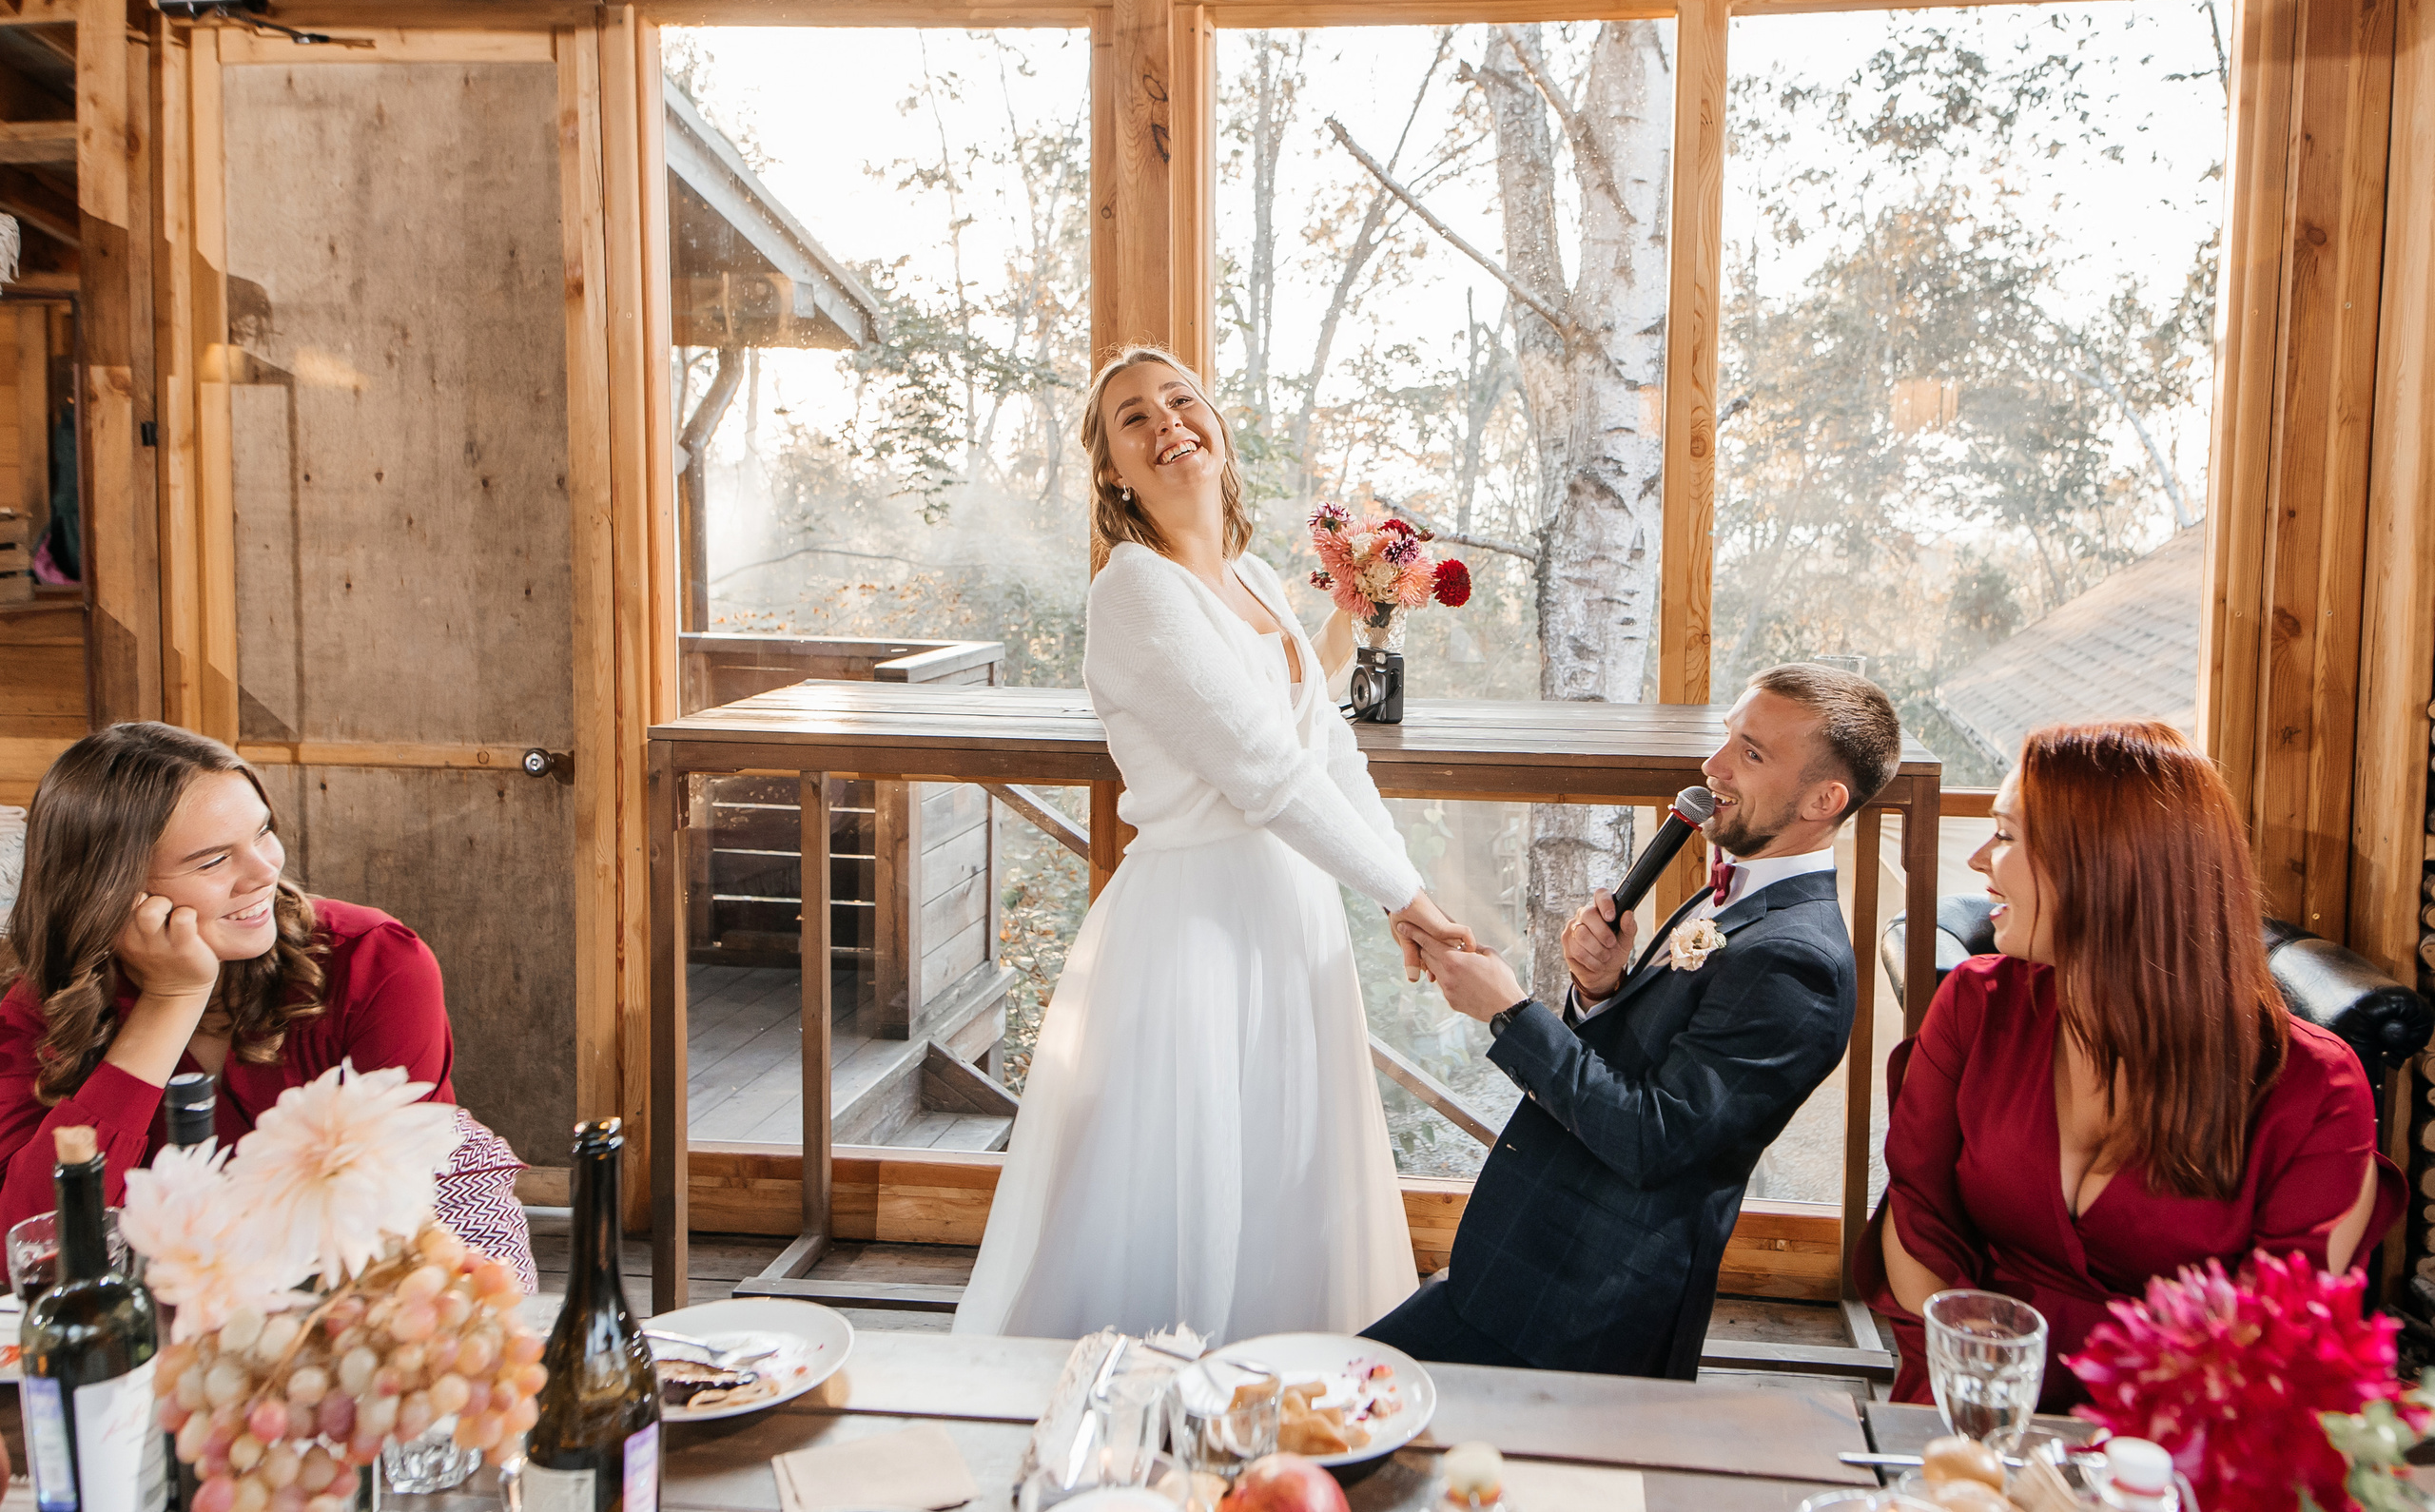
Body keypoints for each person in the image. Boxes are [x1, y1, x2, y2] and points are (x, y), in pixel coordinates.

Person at [953, 346, 1470, 1342]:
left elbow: (1325, 754)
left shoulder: (1261, 579)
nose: (1166, 423)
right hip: (1193, 927)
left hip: (1295, 923)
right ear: (1112, 469)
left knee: (1287, 1188)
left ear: (1218, 428)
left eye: (1181, 400)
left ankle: (1284, 1429)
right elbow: (1262, 772)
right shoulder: (1134, 592)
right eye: (1132, 418)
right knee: (1186, 1198)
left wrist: (1402, 892)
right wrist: (1408, 899)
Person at [1375, 664, 1903, 1378]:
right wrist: (1601, 989)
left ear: (1825, 798)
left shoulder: (1799, 965)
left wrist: (1509, 1013)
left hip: (1584, 1308)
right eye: (1727, 739)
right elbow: (1658, 1062)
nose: (1712, 766)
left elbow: (1653, 1139)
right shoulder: (1739, 891)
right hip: (1525, 1266)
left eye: (1751, 753)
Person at [1858, 720, 2401, 1410]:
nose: (1979, 860)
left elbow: (2280, 1341)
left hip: (2180, 1432)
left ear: (2106, 866)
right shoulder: (1974, 1004)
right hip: (1971, 1394)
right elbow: (1915, 1216)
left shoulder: (2317, 1086)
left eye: (2006, 835)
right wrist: (1977, 1382)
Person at [0, 724, 532, 1288]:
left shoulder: (376, 963)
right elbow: (28, 1240)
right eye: (211, 861)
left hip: (386, 1231)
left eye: (263, 833)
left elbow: (394, 1203)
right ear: (110, 890)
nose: (264, 872)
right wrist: (170, 1002)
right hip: (173, 1258)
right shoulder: (44, 1006)